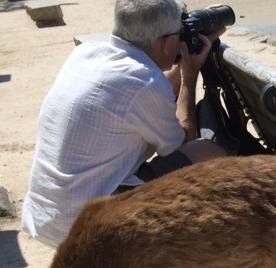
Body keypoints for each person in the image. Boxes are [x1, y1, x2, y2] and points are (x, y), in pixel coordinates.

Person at [21, 0, 227, 248]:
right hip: (84, 230)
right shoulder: (145, 84)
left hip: (47, 217)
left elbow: (149, 89)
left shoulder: (86, 54)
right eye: (178, 34)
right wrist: (188, 78)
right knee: (206, 151)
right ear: (165, 42)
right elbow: (184, 141)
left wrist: (183, 58)